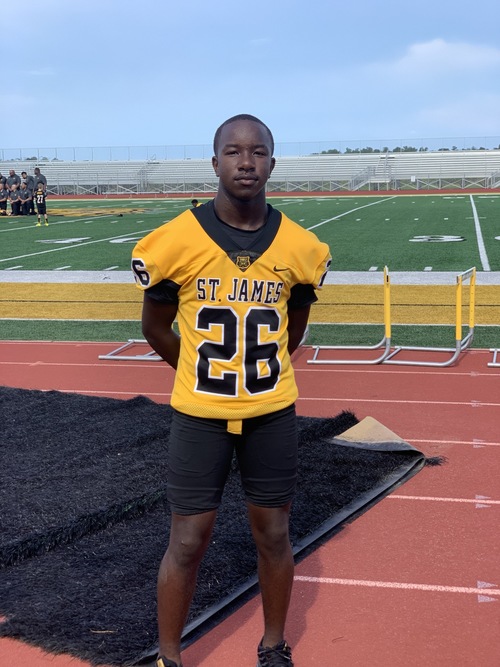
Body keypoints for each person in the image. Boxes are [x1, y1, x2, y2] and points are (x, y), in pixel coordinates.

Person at [131, 114, 331, 667]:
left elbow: (292, 332)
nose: (247, 162)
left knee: (274, 534)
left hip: (271, 411)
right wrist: (199, 370)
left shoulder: (300, 246)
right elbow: (154, 327)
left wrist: (251, 375)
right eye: (234, 151)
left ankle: (273, 644)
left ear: (273, 162)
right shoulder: (176, 240)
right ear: (215, 161)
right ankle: (169, 657)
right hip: (200, 414)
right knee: (187, 540)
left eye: (258, 152)